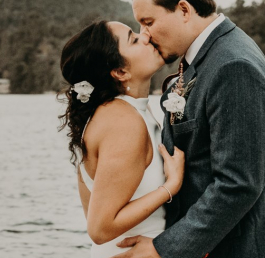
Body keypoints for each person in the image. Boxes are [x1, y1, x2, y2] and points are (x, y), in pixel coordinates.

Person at [115, 0, 265, 258]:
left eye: (148, 22)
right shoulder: (208, 57)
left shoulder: (233, 66)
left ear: (184, 10)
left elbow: (238, 184)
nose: (144, 34)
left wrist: (164, 250)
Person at [59, 20, 186, 258]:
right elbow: (99, 228)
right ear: (120, 72)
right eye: (134, 39)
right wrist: (170, 186)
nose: (146, 36)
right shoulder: (122, 121)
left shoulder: (127, 111)